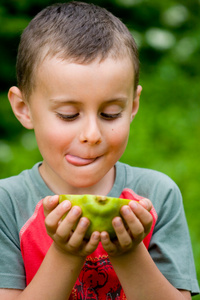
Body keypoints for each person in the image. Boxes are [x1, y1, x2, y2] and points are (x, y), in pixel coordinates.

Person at [0, 1, 199, 299]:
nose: (92, 135)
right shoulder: (7, 205)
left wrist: (129, 253)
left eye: (110, 114)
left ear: (133, 105)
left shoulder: (156, 197)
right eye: (68, 114)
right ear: (23, 108)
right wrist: (66, 253)